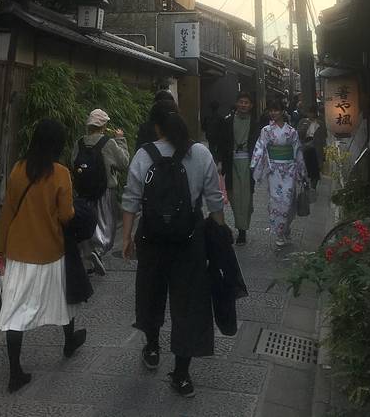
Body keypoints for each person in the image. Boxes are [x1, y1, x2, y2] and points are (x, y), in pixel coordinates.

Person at [121, 104, 225, 399]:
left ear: (156, 127)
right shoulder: (201, 154)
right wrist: (219, 234)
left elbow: (131, 199)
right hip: (190, 239)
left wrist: (126, 237)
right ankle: (181, 374)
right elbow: (214, 200)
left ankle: (153, 347)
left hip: (152, 238)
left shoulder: (144, 155)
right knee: (188, 304)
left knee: (151, 293)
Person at [0, 119, 85, 393]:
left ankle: (15, 372)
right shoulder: (61, 173)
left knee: (15, 310)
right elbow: (66, 215)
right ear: (58, 145)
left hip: (19, 250)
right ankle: (69, 342)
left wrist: (0, 249)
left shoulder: (17, 169)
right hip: (50, 249)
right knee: (62, 297)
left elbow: (8, 212)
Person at [72, 108, 129, 276]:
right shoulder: (108, 143)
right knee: (106, 225)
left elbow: (73, 162)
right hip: (105, 191)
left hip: (83, 191)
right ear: (104, 126)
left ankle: (88, 257)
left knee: (87, 222)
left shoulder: (79, 143)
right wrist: (120, 140)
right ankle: (98, 251)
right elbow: (124, 162)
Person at [250, 97, 308, 248]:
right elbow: (260, 148)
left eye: (276, 110)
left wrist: (302, 172)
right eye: (271, 110)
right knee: (276, 200)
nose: (273, 113)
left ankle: (286, 227)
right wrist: (255, 163)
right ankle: (280, 232)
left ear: (282, 111)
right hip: (274, 170)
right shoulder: (266, 131)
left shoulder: (292, 132)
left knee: (289, 201)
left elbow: (297, 151)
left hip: (289, 170)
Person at [216, 91, 259, 245]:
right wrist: (220, 161)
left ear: (251, 105)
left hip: (248, 164)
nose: (243, 105)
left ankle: (242, 230)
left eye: (246, 102)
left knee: (246, 198)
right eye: (241, 102)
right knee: (234, 196)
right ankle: (240, 225)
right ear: (236, 103)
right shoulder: (227, 122)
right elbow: (222, 142)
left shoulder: (255, 123)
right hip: (231, 163)